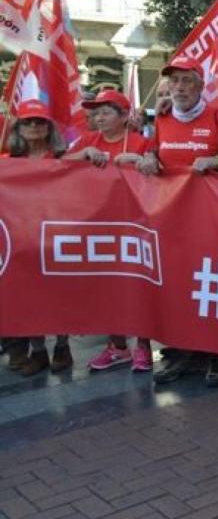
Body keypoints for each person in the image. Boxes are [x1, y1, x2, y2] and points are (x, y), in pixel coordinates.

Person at [139, 55, 218, 388]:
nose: (180, 87)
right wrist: (148, 158)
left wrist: (217, 160)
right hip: (172, 219)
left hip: (212, 220)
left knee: (212, 285)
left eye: (187, 81)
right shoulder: (162, 120)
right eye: (174, 81)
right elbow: (154, 154)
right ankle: (185, 352)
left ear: (201, 85)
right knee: (178, 286)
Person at [64, 90, 156, 372]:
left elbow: (157, 173)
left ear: (124, 116)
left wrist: (142, 164)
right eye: (95, 112)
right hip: (99, 227)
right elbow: (59, 167)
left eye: (106, 111)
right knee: (108, 286)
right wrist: (83, 154)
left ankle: (141, 346)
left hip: (135, 227)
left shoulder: (141, 142)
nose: (98, 117)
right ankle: (117, 346)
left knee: (138, 286)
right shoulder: (87, 140)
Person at [3, 100, 73, 376]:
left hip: (56, 236)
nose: (33, 126)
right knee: (28, 296)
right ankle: (38, 351)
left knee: (58, 295)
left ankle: (63, 347)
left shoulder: (63, 158)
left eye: (40, 122)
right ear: (18, 128)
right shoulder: (7, 163)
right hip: (21, 239)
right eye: (27, 122)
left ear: (49, 128)